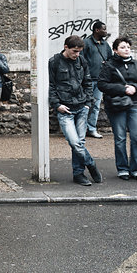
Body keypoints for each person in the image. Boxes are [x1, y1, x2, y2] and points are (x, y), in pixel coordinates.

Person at [48, 35, 102, 186]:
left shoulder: (82, 61)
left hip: (81, 106)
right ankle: (91, 164)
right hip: (65, 109)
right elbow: (51, 85)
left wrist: (88, 103)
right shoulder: (54, 62)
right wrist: (57, 104)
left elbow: (87, 82)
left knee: (80, 142)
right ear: (66, 47)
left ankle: (78, 174)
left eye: (79, 51)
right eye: (74, 51)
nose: (77, 54)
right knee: (75, 143)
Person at [98, 36, 137, 180]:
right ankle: (122, 169)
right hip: (117, 105)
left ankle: (135, 168)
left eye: (128, 47)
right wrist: (122, 89)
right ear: (115, 50)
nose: (126, 49)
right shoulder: (109, 65)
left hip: (134, 103)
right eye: (122, 47)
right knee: (120, 138)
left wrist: (135, 88)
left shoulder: (136, 64)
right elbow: (102, 84)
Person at [81, 21, 112, 139]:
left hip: (100, 80)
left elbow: (111, 59)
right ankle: (81, 129)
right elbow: (81, 60)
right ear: (97, 30)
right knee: (84, 105)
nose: (106, 31)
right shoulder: (87, 43)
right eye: (103, 29)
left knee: (96, 105)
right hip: (87, 80)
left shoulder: (105, 45)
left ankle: (92, 128)